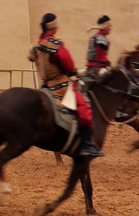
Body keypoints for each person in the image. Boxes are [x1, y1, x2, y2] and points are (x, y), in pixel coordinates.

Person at [29, 12, 104, 158]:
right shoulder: (55, 44)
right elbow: (68, 65)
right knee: (84, 107)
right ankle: (87, 144)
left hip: (45, 86)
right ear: (54, 27)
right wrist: (75, 72)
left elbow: (32, 58)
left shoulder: (38, 44)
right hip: (60, 86)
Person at [84, 15, 111, 79]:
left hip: (92, 67)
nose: (110, 28)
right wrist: (107, 61)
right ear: (105, 27)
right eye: (109, 26)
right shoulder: (101, 39)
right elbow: (99, 57)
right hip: (97, 68)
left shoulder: (96, 37)